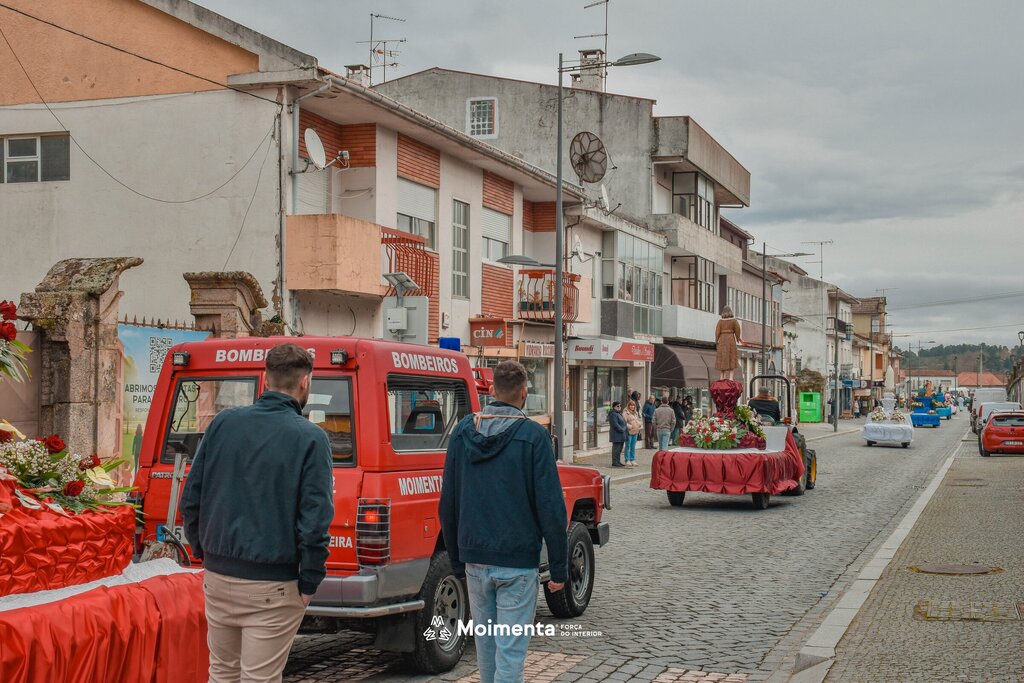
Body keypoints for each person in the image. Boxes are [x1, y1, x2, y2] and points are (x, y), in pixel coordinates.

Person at [180, 343, 334, 683]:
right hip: (273, 583)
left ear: (265, 379)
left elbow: (191, 498)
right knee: (258, 678)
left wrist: (204, 551)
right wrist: (310, 580)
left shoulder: (223, 423)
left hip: (219, 574)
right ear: (305, 382)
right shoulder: (311, 438)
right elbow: (314, 522)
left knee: (222, 673)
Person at [439, 361, 567, 683]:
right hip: (517, 562)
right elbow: (551, 507)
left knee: (487, 653)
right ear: (524, 392)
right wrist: (559, 568)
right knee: (509, 655)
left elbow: (448, 503)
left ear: (492, 390)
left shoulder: (463, 432)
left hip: (475, 560)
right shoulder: (534, 436)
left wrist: (457, 560)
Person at [715, 305, 741, 381]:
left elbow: (717, 332)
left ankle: (721, 377)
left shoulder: (720, 321)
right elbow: (738, 330)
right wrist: (737, 338)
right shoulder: (734, 321)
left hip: (722, 340)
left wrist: (716, 340)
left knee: (722, 357)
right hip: (730, 339)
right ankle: (731, 378)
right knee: (731, 357)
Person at [623, 400, 643, 468]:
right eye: (631, 405)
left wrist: (639, 425)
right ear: (628, 406)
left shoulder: (636, 413)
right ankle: (627, 460)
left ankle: (632, 459)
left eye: (633, 405)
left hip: (635, 431)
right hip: (629, 432)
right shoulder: (625, 413)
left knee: (633, 446)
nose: (632, 406)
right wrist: (630, 426)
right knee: (628, 446)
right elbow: (624, 422)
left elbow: (639, 420)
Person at [607, 401, 627, 467]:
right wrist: (622, 429)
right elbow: (615, 424)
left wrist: (624, 428)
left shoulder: (618, 413)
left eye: (620, 406)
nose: (619, 407)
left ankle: (618, 461)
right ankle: (615, 462)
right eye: (618, 406)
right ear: (614, 407)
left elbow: (623, 423)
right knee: (616, 449)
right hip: (616, 434)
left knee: (619, 449)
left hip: (621, 434)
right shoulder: (613, 414)